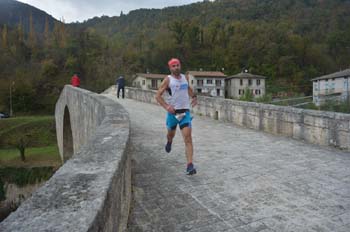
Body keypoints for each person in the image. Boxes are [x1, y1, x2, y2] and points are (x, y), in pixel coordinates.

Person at [155, 58, 198, 175]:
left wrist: (194, 96)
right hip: (173, 114)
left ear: (180, 65)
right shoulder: (167, 80)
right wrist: (166, 106)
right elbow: (158, 96)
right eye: (173, 66)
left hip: (185, 113)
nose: (176, 67)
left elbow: (187, 88)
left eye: (177, 65)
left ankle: (190, 165)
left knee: (188, 138)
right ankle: (169, 142)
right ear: (170, 68)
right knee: (170, 134)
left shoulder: (185, 78)